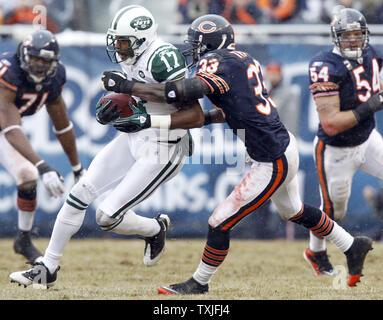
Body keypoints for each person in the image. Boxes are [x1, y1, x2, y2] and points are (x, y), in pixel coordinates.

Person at [99, 14, 373, 293]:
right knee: (294, 210)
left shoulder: (219, 62)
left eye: (196, 44)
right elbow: (228, 110)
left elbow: (177, 93)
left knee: (219, 221)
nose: (192, 50)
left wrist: (126, 86)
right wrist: (153, 121)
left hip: (272, 157)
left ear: (210, 43)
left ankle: (199, 283)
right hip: (278, 145)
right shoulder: (243, 59)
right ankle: (353, 245)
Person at [9, 5, 200, 288]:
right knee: (79, 193)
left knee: (107, 217)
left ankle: (155, 228)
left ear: (142, 40)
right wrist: (121, 105)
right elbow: (143, 98)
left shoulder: (162, 59)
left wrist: (138, 104)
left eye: (123, 43)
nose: (119, 49)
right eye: (117, 42)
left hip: (165, 147)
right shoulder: (133, 55)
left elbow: (194, 115)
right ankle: (46, 268)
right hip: (136, 136)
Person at [303, 7, 383, 277]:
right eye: (346, 35)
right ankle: (315, 252)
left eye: (357, 34)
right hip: (336, 150)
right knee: (334, 212)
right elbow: (331, 123)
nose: (353, 40)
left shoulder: (372, 54)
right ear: (335, 37)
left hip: (368, 138)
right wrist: (371, 105)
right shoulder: (326, 66)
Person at [0, 29, 84, 264]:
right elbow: (11, 128)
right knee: (32, 170)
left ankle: (23, 240)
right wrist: (44, 167)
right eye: (34, 58)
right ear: (24, 55)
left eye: (44, 60)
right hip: (4, 127)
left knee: (27, 175)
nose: (38, 65)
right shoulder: (9, 71)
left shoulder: (55, 78)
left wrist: (77, 168)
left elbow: (62, 125)